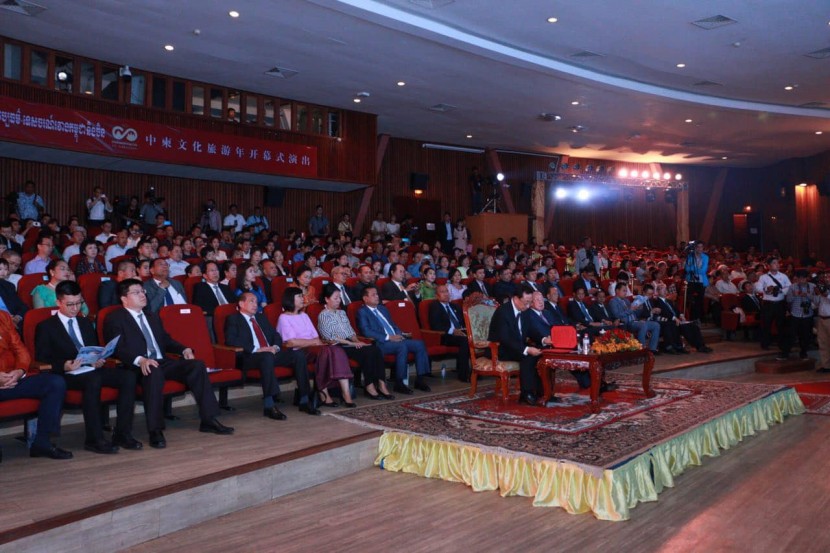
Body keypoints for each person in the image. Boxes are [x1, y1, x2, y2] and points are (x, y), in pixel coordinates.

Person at [103, 278, 233, 448]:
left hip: (161, 361)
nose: (142, 295)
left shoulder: (151, 316)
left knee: (196, 365)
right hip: (136, 366)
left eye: (143, 291)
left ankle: (208, 420)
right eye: (136, 292)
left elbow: (165, 340)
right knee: (154, 371)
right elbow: (117, 348)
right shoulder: (115, 318)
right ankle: (155, 430)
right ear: (124, 298)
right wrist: (141, 360)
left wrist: (184, 349)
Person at [35, 281, 141, 454]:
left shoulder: (84, 323)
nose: (75, 308)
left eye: (79, 303)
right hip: (67, 374)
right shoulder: (46, 326)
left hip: (90, 369)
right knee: (94, 379)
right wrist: (64, 365)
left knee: (128, 376)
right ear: (58, 302)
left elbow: (93, 348)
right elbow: (42, 358)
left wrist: (97, 359)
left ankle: (123, 433)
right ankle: (94, 439)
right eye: (70, 304)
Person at [224, 292, 319, 418]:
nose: (255, 304)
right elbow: (231, 340)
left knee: (298, 354)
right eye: (251, 301)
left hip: (270, 353)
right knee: (266, 356)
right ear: (241, 304)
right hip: (250, 356)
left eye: (256, 302)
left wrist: (275, 347)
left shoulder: (261, 317)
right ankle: (269, 405)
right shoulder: (233, 319)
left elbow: (276, 335)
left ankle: (304, 400)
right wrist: (256, 349)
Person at [0, 309, 71, 460]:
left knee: (55, 383)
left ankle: (42, 443)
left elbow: (21, 350)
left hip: (13, 377)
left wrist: (19, 371)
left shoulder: (3, 317)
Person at [277, 288, 356, 407]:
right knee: (327, 351)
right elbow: (292, 342)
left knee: (337, 350)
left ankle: (346, 394)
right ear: (290, 299)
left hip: (315, 349)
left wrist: (312, 342)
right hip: (298, 352)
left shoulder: (304, 315)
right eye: (299, 296)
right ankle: (324, 393)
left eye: (302, 296)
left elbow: (316, 337)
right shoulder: (284, 318)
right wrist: (312, 342)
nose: (303, 299)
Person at [356, 285, 431, 394]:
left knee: (420, 344)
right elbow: (366, 331)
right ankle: (399, 383)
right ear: (365, 298)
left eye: (377, 294)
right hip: (381, 342)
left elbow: (393, 325)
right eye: (373, 295)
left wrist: (400, 334)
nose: (377, 296)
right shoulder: (362, 312)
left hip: (395, 339)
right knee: (402, 346)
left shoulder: (382, 308)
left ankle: (420, 380)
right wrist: (389, 337)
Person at [487, 283, 543, 405]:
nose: (528, 306)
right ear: (516, 299)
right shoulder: (503, 312)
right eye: (526, 302)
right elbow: (505, 339)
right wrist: (526, 349)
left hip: (516, 346)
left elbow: (531, 330)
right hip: (501, 349)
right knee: (528, 356)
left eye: (530, 302)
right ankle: (526, 393)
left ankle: (542, 392)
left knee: (542, 353)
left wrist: (544, 339)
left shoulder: (525, 311)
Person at [428, 283, 471, 382]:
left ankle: (478, 371)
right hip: (445, 335)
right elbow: (435, 326)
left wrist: (464, 329)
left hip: (461, 332)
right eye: (442, 292)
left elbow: (463, 321)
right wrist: (453, 331)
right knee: (465, 341)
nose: (446, 294)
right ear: (436, 296)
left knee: (475, 337)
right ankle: (463, 375)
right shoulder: (435, 306)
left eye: (447, 291)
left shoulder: (455, 306)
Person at [655, 283, 712, 353]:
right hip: (669, 321)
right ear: (658, 291)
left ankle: (701, 346)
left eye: (665, 289)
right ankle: (681, 347)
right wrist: (674, 318)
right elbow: (664, 312)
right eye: (662, 289)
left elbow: (676, 310)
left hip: (677, 320)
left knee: (694, 326)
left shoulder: (669, 301)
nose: (665, 291)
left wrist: (681, 315)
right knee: (685, 328)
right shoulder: (657, 301)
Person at [755, 258, 792, 360]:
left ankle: (782, 345)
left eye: (778, 263)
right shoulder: (763, 277)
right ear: (769, 266)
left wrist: (780, 290)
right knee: (766, 324)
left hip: (780, 303)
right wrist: (767, 289)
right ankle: (765, 343)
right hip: (768, 303)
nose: (777, 265)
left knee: (781, 325)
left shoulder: (783, 276)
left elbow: (789, 287)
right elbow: (758, 288)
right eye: (774, 263)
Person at [608, 283, 660, 353]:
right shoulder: (613, 301)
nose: (626, 293)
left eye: (626, 291)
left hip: (635, 320)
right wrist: (630, 310)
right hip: (627, 323)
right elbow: (617, 315)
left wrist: (639, 309)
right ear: (617, 291)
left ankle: (652, 349)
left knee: (656, 325)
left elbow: (635, 314)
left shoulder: (626, 300)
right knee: (643, 325)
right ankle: (642, 349)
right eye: (624, 291)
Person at [786, 269, 816, 360]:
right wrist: (794, 295)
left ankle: (804, 352)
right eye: (799, 278)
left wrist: (807, 295)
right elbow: (788, 300)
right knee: (791, 334)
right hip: (795, 314)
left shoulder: (813, 286)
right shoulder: (792, 287)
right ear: (797, 278)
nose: (801, 280)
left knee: (806, 335)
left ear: (807, 278)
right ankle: (785, 352)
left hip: (808, 314)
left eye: (803, 278)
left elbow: (816, 299)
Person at [684, 241, 709, 321]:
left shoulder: (705, 257)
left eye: (701, 247)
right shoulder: (690, 256)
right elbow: (687, 269)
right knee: (690, 300)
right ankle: (690, 318)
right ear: (695, 248)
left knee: (699, 301)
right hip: (690, 281)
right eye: (698, 247)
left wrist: (693, 268)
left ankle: (697, 318)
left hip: (701, 281)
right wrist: (696, 268)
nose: (699, 249)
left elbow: (703, 271)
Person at [815, 272, 830, 373]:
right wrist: (817, 294)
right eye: (825, 277)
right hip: (821, 318)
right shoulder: (822, 288)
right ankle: (826, 365)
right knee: (823, 343)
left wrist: (826, 294)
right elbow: (816, 303)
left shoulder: (825, 291)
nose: (827, 278)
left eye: (829, 276)